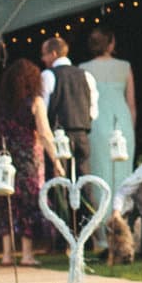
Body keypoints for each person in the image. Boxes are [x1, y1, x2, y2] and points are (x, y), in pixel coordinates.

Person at [0, 57, 58, 267]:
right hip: (29, 158)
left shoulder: (2, 104)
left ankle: (6, 254)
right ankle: (27, 254)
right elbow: (45, 132)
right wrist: (56, 160)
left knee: (7, 203)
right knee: (28, 203)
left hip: (6, 158)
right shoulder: (35, 102)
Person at [80, 27, 138, 196]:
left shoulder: (83, 68)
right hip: (122, 121)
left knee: (98, 169)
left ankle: (100, 215)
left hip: (96, 122)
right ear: (111, 44)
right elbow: (131, 103)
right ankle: (120, 213)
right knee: (122, 170)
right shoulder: (125, 67)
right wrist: (131, 128)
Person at [41, 34, 92, 180]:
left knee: (59, 178)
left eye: (44, 54)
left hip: (58, 135)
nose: (43, 59)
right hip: (82, 133)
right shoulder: (85, 75)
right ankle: (87, 204)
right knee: (84, 177)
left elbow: (43, 109)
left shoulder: (48, 75)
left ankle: (61, 204)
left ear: (54, 54)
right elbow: (92, 107)